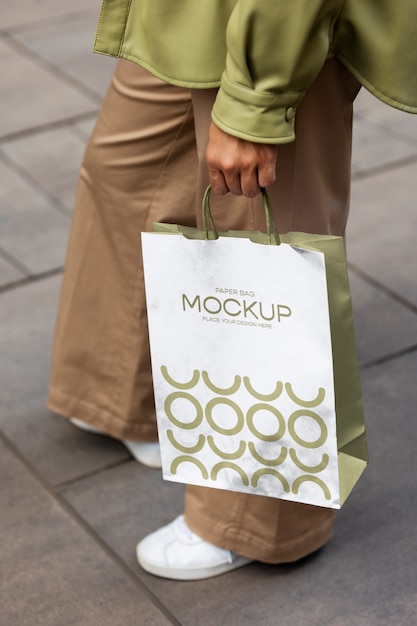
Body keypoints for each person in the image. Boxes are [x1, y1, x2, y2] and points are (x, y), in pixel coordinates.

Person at [48, 1, 417, 580]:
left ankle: (259, 517)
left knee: (267, 238)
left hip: (280, 19)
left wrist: (255, 105)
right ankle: (123, 394)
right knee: (127, 175)